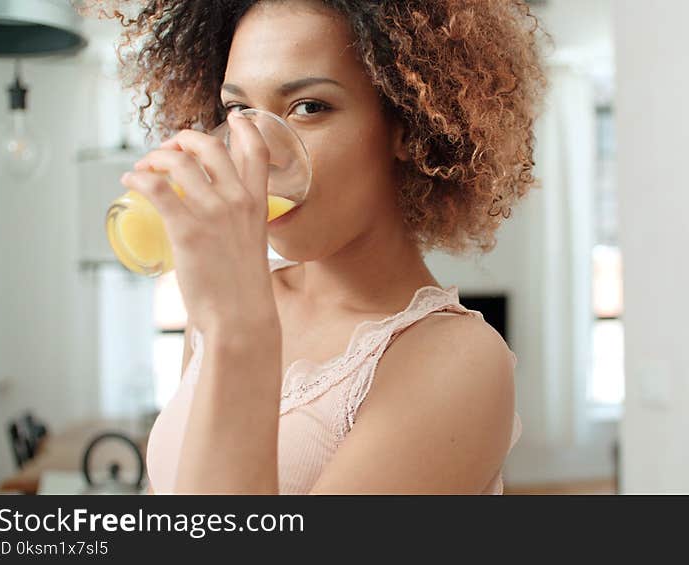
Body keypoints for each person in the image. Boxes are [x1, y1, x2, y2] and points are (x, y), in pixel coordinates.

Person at [101, 0, 546, 494]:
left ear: (406, 126)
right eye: (239, 111)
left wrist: (237, 332)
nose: (256, 151)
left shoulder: (457, 361)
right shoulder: (233, 304)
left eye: (310, 107)